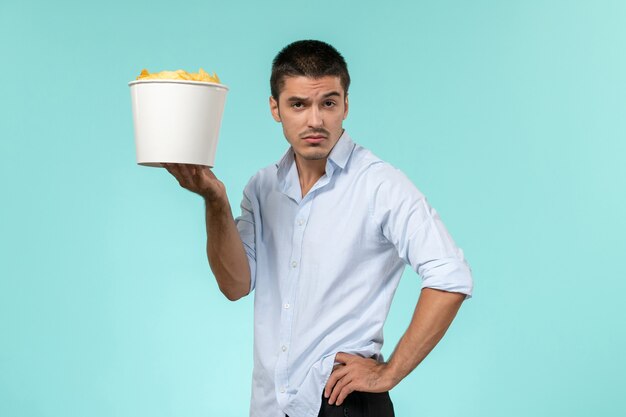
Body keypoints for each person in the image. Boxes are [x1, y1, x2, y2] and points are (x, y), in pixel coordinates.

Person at [163, 40, 473, 417]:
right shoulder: (263, 188)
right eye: (298, 104)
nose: (315, 120)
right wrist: (214, 199)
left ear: (345, 105)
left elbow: (450, 276)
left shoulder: (379, 186)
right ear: (275, 108)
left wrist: (389, 372)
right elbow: (235, 285)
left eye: (328, 102)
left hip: (341, 403)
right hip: (270, 406)